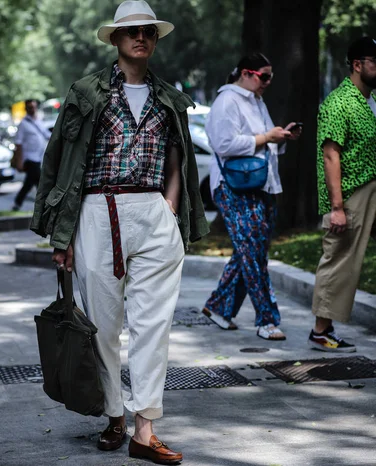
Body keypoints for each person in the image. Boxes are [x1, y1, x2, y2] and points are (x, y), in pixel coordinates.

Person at [31, 1, 208, 463]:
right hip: (97, 210)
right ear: (114, 38)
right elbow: (59, 162)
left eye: (148, 31)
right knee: (104, 327)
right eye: (132, 31)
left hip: (153, 212)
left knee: (153, 326)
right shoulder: (86, 93)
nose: (141, 37)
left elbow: (178, 156)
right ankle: (114, 415)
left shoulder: (169, 96)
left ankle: (144, 431)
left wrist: (169, 207)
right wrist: (60, 235)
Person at [201, 53, 301, 341]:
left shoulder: (256, 101)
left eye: (270, 76)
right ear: (246, 73)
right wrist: (265, 138)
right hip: (234, 187)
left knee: (251, 251)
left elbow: (266, 141)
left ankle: (218, 306)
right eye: (264, 76)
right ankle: (267, 320)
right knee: (253, 255)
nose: (268, 82)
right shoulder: (226, 101)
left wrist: (280, 137)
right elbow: (223, 143)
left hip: (260, 185)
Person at [308, 37, 376, 352]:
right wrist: (337, 207)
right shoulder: (340, 102)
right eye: (374, 61)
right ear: (357, 65)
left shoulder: (367, 100)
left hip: (369, 188)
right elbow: (330, 154)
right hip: (350, 194)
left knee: (349, 259)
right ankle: (321, 331)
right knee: (340, 259)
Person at [11, 99, 51, 211]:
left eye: (33, 107)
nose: (32, 109)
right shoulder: (23, 124)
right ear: (26, 109)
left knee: (29, 183)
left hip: (38, 158)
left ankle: (17, 203)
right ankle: (44, 205)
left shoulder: (38, 121)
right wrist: (19, 161)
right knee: (39, 182)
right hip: (29, 158)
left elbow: (47, 134)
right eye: (29, 107)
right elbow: (18, 144)